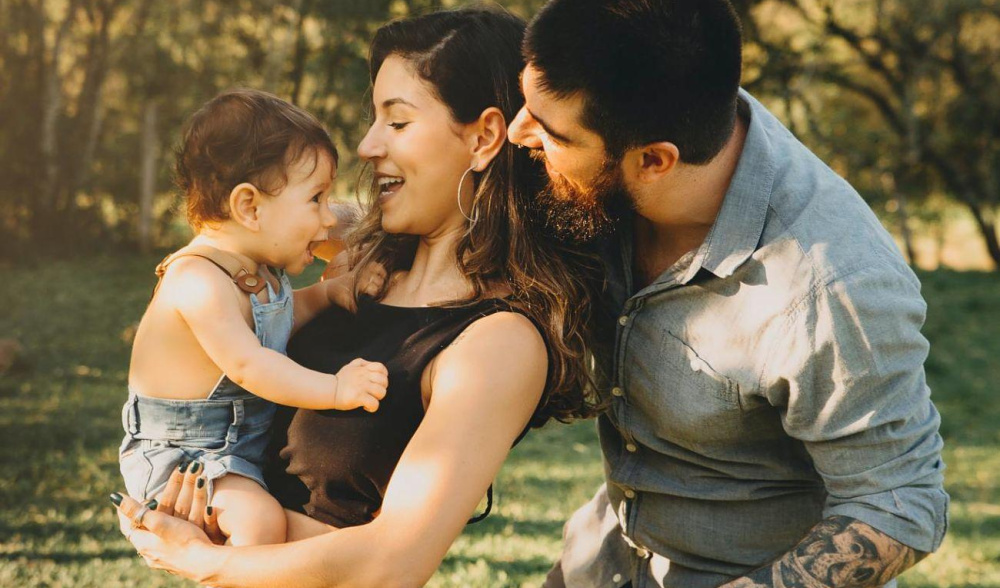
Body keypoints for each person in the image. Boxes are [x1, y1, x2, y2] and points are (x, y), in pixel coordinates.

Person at [112, 7, 601, 586]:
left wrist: (204, 559)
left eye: (397, 122)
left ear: (484, 137)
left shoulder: (497, 343)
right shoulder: (363, 257)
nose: (368, 145)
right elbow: (250, 225)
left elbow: (393, 564)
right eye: (374, 119)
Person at [505, 0, 949, 587]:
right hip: (603, 560)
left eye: (551, 132)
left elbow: (898, 504)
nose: (517, 132)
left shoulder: (830, 287)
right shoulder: (656, 109)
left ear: (654, 161)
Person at [118, 88, 390, 547]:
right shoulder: (199, 281)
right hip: (182, 455)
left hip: (236, 446)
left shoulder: (261, 271)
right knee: (259, 521)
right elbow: (252, 365)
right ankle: (223, 572)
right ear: (249, 207)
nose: (328, 219)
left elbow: (277, 322)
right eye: (316, 199)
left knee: (279, 519)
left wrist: (328, 293)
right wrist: (336, 390)